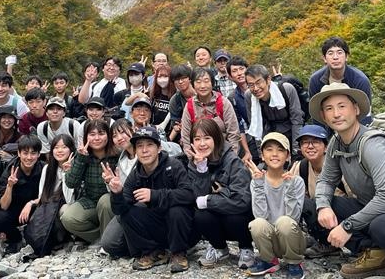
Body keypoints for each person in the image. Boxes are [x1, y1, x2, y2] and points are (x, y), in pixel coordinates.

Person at [310, 83, 385, 279]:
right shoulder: (336, 142)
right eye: (329, 109)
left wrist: (347, 226)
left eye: (342, 106)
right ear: (324, 116)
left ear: (356, 109)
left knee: (382, 226)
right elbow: (326, 180)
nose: (336, 114)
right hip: (373, 209)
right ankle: (377, 254)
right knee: (311, 207)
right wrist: (323, 206)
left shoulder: (373, 144)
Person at [108, 126, 195, 273]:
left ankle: (179, 253)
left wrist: (154, 195)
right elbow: (120, 209)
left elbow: (188, 195)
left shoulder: (174, 166)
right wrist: (117, 193)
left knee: (177, 209)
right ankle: (154, 251)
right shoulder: (136, 175)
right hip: (157, 225)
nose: (144, 150)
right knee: (127, 214)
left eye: (149, 145)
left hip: (184, 228)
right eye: (140, 146)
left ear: (159, 148)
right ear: (135, 151)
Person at [187, 119, 254, 269]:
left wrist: (210, 200)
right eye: (197, 139)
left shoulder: (232, 161)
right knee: (200, 215)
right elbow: (197, 199)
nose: (202, 143)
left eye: (207, 138)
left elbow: (242, 201)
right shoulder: (194, 164)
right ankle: (219, 247)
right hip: (216, 216)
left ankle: (246, 247)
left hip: (237, 217)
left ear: (216, 139)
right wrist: (202, 169)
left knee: (235, 216)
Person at [246, 132, 306, 278]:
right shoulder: (257, 181)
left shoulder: (296, 181)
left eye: (280, 150)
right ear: (262, 155)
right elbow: (261, 216)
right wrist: (259, 186)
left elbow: (294, 218)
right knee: (256, 223)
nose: (274, 154)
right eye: (269, 149)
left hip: (292, 239)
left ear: (288, 156)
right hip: (270, 240)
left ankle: (294, 262)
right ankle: (269, 261)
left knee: (284, 222)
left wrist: (290, 187)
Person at [290, 124, 349, 258]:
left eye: (316, 141)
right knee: (301, 201)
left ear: (326, 146)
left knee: (316, 202)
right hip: (320, 218)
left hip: (345, 219)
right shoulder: (301, 167)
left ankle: (332, 244)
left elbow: (357, 199)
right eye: (305, 142)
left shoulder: (340, 167)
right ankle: (320, 239)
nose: (310, 146)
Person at [61, 119, 118, 243]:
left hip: (112, 202)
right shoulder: (82, 155)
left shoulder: (117, 155)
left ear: (108, 136)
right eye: (92, 134)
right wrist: (81, 159)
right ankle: (103, 239)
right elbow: (71, 183)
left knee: (106, 201)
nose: (97, 138)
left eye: (101, 133)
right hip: (90, 200)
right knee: (68, 218)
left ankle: (109, 242)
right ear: (86, 137)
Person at [24, 134, 77, 257]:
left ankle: (67, 237)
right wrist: (30, 203)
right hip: (51, 205)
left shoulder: (76, 167)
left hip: (67, 207)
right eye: (56, 147)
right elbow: (43, 196)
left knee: (64, 210)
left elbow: (70, 199)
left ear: (71, 150)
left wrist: (67, 173)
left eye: (64, 147)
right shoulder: (48, 168)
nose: (59, 150)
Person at [0, 135, 45, 254]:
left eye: (33, 153)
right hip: (15, 210)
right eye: (25, 153)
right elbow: (4, 206)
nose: (29, 157)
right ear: (19, 153)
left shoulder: (44, 168)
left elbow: (49, 195)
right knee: (0, 218)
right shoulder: (10, 171)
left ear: (39, 154)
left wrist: (31, 204)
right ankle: (15, 239)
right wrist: (10, 186)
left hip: (36, 209)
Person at [308, 37, 372, 125]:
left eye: (339, 52)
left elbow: (365, 113)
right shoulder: (316, 80)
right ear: (324, 58)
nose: (335, 57)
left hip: (353, 126)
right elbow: (316, 113)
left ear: (346, 57)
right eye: (330, 53)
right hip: (328, 124)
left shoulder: (360, 80)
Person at [244, 65, 304, 159]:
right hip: (269, 138)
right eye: (251, 85)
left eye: (258, 83)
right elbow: (255, 126)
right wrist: (261, 154)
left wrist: (296, 151)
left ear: (268, 80)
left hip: (291, 134)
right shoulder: (249, 96)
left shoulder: (286, 89)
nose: (255, 88)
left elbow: (297, 121)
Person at [100, 119, 138, 257]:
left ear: (133, 130)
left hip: (144, 204)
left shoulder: (146, 152)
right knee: (109, 243)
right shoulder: (121, 160)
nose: (119, 138)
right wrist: (111, 183)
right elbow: (119, 194)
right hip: (127, 207)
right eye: (115, 136)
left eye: (122, 132)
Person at [180, 67, 240, 155]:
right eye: (198, 82)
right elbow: (185, 137)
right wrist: (193, 159)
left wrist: (231, 158)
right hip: (199, 154)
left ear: (212, 83)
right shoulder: (189, 106)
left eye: (206, 81)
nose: (202, 86)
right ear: (192, 84)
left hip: (223, 153)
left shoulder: (223, 102)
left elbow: (233, 133)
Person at [226, 56, 258, 164]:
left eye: (241, 69)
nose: (239, 73)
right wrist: (247, 152)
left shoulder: (259, 88)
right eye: (234, 71)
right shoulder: (233, 97)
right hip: (253, 135)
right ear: (230, 76)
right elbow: (240, 127)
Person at [168, 65, 195, 144]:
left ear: (189, 78)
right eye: (176, 79)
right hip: (185, 136)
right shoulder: (174, 100)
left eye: (183, 78)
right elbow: (176, 124)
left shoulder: (200, 94)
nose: (180, 82)